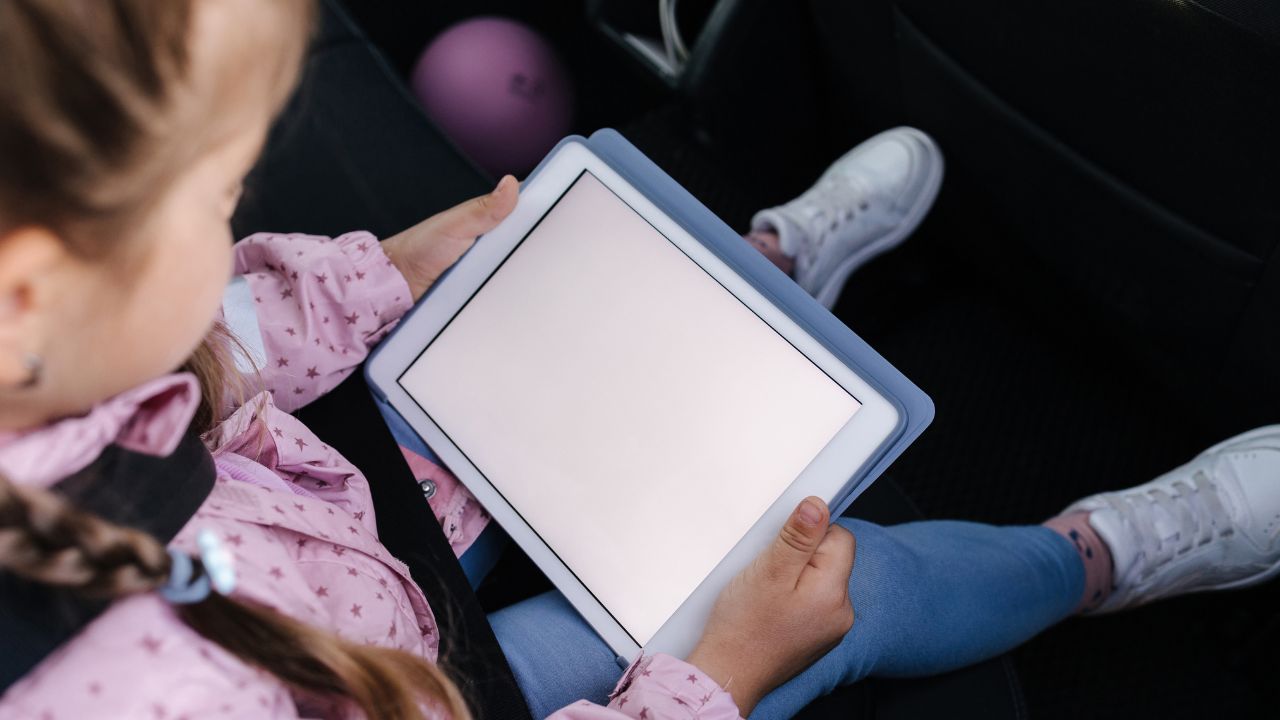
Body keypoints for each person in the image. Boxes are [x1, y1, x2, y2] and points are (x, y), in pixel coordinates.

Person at [0, 3, 1276, 720]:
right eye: (218, 190)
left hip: (324, 521)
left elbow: (226, 329)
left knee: (582, 324)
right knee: (838, 584)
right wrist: (713, 681)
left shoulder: (62, 356)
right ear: (30, 289)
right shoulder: (136, 695)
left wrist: (387, 269)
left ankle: (757, 279)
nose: (235, 217)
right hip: (420, 690)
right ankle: (1095, 554)